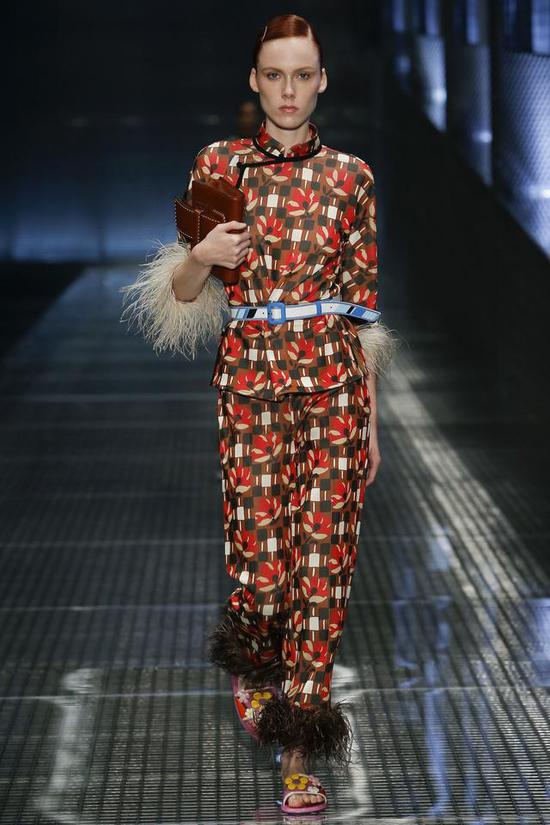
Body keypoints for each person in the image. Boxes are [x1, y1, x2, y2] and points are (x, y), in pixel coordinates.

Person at [120, 13, 397, 814]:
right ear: (254, 80)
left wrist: (372, 424)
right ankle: (255, 661)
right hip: (249, 386)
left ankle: (299, 750)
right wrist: (201, 256)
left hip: (335, 389)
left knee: (324, 569)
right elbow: (181, 293)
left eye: (302, 75)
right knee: (265, 568)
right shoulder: (220, 165)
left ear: (322, 81)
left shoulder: (352, 177)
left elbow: (363, 315)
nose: (288, 90)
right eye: (274, 74)